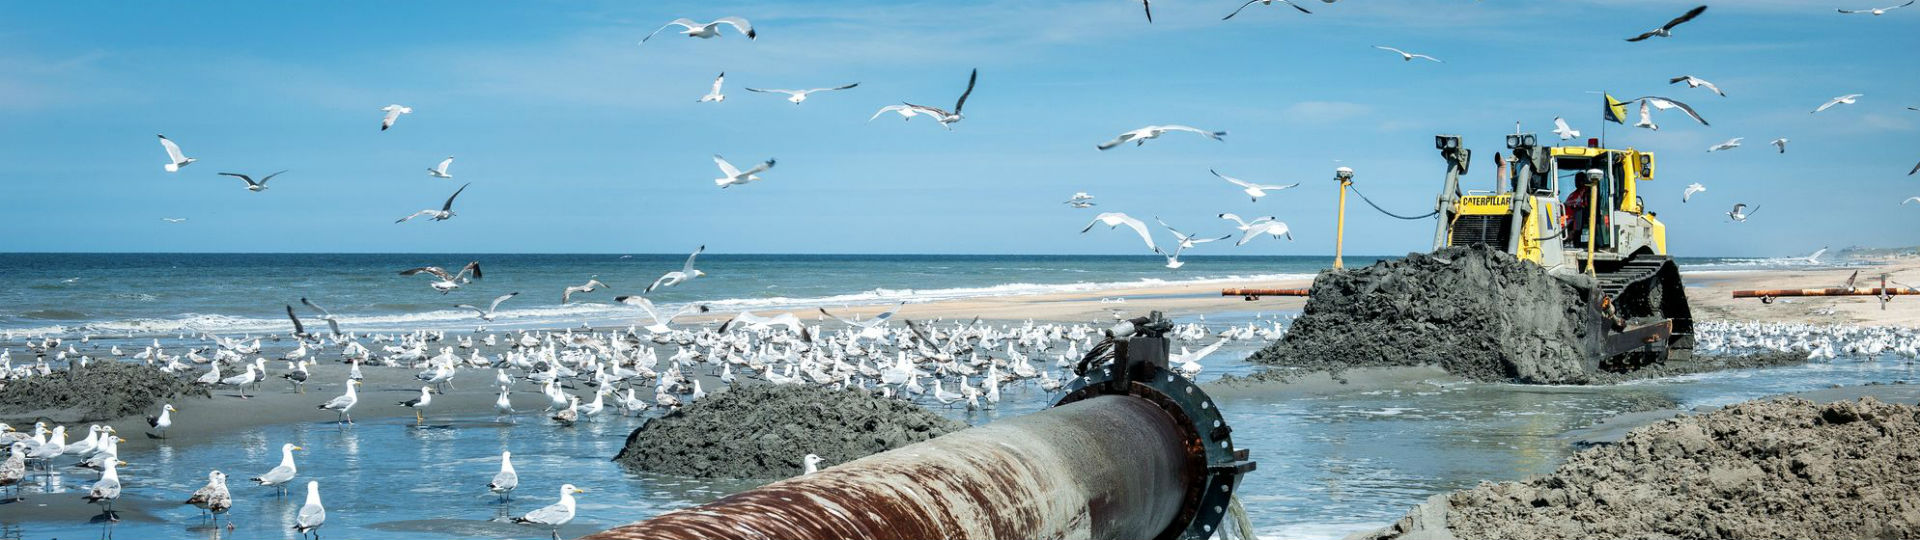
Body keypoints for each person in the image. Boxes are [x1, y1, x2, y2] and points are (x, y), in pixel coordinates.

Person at [1563, 171, 1593, 242]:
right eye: (1575, 180)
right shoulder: (1574, 193)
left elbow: (1583, 205)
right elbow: (1566, 203)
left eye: (1578, 180)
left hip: (1576, 217)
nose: (1576, 182)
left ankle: (1574, 237)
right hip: (1566, 217)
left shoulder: (1587, 191)